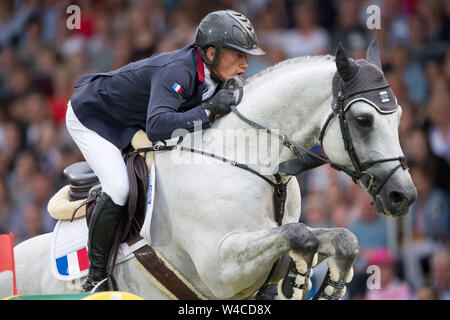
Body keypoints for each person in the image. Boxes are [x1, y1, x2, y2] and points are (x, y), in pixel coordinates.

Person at [65, 9, 266, 293]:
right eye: (238, 55)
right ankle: (95, 276)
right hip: (93, 117)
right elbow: (159, 126)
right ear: (211, 53)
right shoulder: (179, 71)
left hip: (132, 120)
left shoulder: (216, 74)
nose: (246, 64)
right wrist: (209, 110)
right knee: (119, 187)